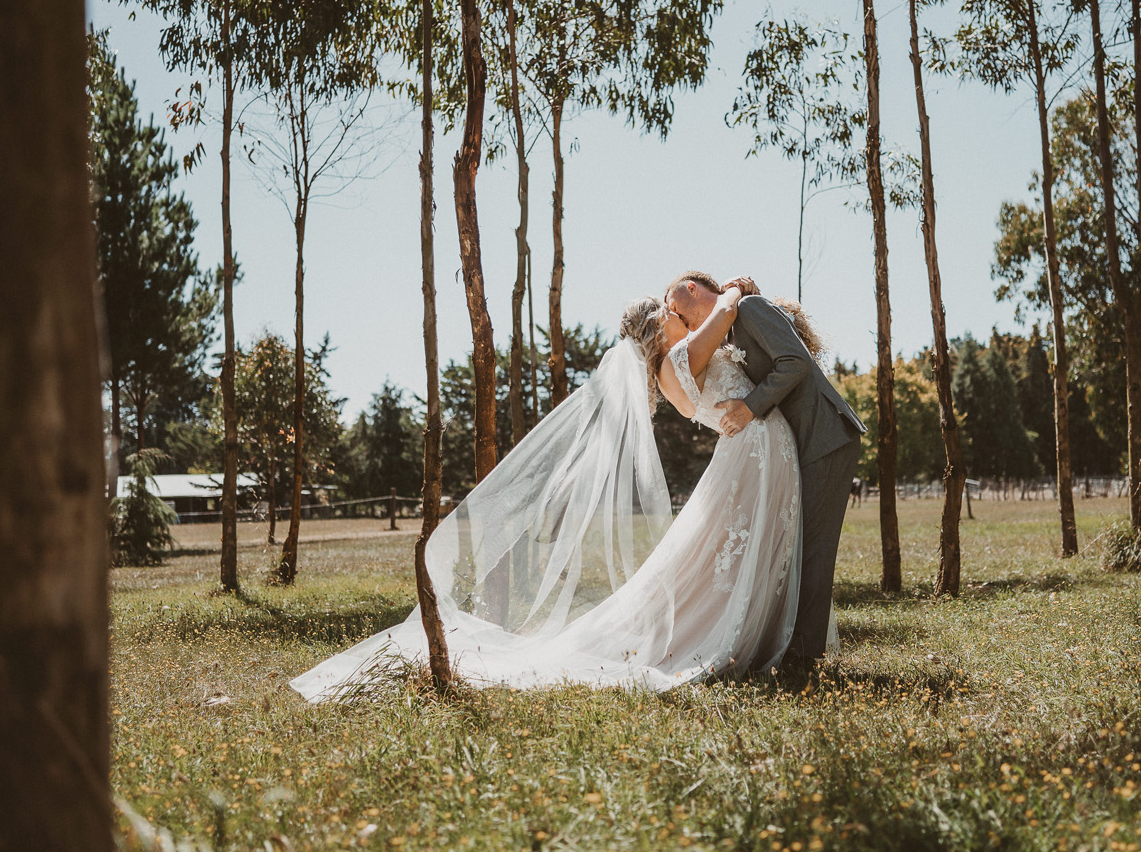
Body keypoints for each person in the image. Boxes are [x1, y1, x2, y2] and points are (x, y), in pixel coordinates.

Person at [290, 278, 822, 697]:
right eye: (669, 311)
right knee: (723, 555)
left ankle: (763, 631)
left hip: (754, 452)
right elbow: (727, 311)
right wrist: (731, 290)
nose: (678, 313)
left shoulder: (675, 367)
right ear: (657, 327)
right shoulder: (681, 360)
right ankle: (736, 637)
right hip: (749, 453)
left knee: (726, 553)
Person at [665, 271, 865, 678]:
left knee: (814, 549)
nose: (675, 316)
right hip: (802, 443)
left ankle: (805, 659)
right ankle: (794, 645)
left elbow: (796, 361)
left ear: (691, 288)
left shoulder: (751, 308)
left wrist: (750, 406)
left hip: (824, 436)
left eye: (674, 305)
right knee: (797, 544)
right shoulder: (730, 329)